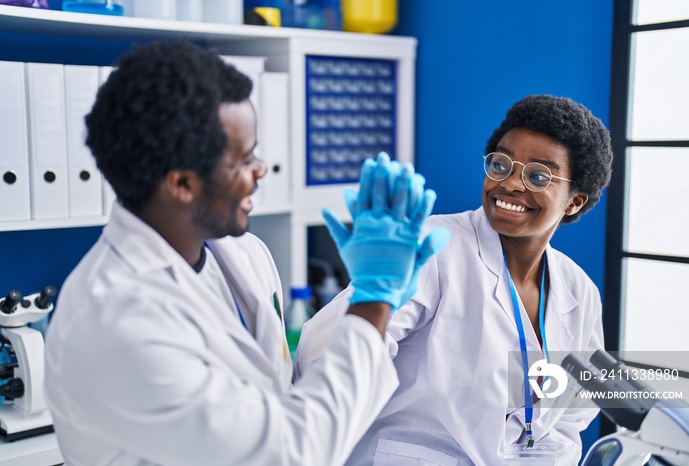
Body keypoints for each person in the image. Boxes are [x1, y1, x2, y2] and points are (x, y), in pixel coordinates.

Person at [43, 40, 450, 466]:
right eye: (244, 158)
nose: (261, 169)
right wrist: (373, 299)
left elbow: (286, 394)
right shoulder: (116, 323)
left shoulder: (242, 254)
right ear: (182, 184)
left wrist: (372, 314)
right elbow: (290, 451)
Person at [297, 94, 614, 465]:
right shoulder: (433, 248)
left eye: (538, 175)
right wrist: (374, 292)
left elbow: (571, 415)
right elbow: (329, 357)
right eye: (501, 164)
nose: (510, 183)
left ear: (575, 201)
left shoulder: (579, 291)